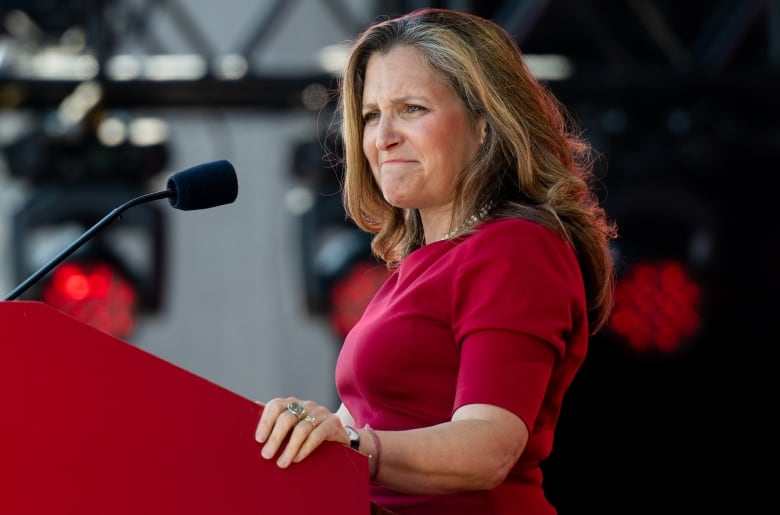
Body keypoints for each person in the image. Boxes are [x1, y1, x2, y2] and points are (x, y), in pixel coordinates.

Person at [255, 7, 617, 514]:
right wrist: (300, 429)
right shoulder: (416, 266)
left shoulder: (515, 249)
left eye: (412, 109)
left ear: (484, 126)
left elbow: (488, 446)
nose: (383, 138)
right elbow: (361, 423)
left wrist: (356, 445)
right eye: (371, 115)